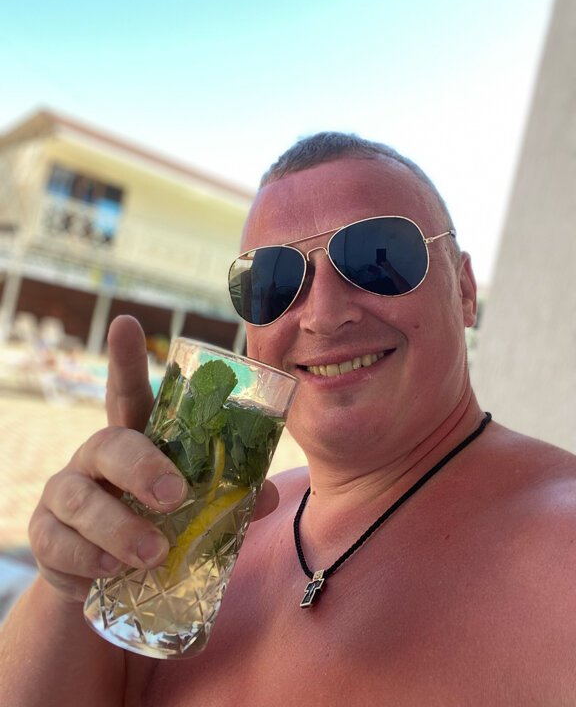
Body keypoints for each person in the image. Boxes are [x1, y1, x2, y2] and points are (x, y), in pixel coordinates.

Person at [1, 132, 576, 706]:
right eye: (272, 282)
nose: (323, 315)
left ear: (465, 291)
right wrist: (77, 571)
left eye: (379, 257)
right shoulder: (199, 546)